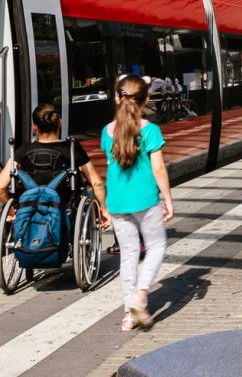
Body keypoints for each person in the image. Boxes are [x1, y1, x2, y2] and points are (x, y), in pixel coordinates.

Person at [102, 75, 173, 332]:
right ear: (147, 99)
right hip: (145, 200)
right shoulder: (151, 130)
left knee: (129, 255)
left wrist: (106, 204)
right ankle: (140, 296)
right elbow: (158, 168)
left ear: (116, 99)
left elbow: (111, 167)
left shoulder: (106, 132)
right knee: (156, 246)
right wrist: (167, 198)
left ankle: (128, 316)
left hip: (118, 202)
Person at [0, 105, 108, 224]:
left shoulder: (23, 151)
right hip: (64, 211)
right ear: (59, 123)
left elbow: (1, 187)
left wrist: (12, 208)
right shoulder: (72, 150)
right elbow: (97, 183)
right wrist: (102, 209)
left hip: (29, 210)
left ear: (34, 126)